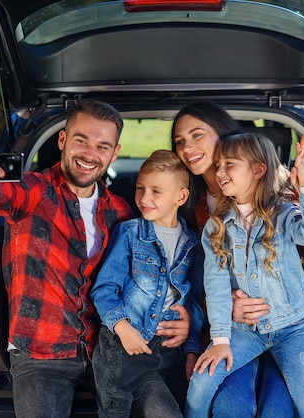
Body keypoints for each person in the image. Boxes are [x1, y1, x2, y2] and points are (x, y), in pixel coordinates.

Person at [0, 100, 191, 418]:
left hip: (110, 350)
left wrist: (188, 318)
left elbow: (151, 280)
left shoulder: (121, 211)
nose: (90, 154)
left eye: (102, 146)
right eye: (81, 140)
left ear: (114, 153)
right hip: (42, 354)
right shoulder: (31, 191)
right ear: (63, 140)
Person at [171, 100, 304, 417]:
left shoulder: (280, 198)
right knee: (231, 408)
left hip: (289, 326)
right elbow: (199, 280)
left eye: (197, 135)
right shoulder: (189, 205)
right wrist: (224, 311)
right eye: (179, 141)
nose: (187, 147)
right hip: (232, 330)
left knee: (277, 411)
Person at [90, 150, 205, 417]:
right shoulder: (130, 234)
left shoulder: (193, 245)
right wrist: (123, 328)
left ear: (181, 196)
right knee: (115, 410)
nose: (144, 198)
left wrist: (191, 350)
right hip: (125, 346)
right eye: (140, 188)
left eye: (156, 191)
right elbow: (105, 289)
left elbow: (195, 304)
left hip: (170, 352)